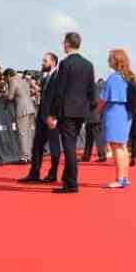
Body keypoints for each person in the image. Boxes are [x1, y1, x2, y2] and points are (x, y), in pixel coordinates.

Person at [48, 32, 95, 194]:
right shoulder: (88, 65)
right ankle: (68, 179)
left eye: (63, 42)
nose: (63, 45)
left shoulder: (65, 63)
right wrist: (89, 108)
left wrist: (53, 113)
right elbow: (91, 90)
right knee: (71, 145)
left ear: (68, 43)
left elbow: (59, 91)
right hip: (81, 111)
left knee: (69, 147)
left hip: (67, 111)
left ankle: (72, 183)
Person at [19, 53, 63, 184]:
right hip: (41, 117)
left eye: (45, 61)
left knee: (54, 147)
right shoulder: (45, 77)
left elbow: (58, 98)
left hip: (52, 118)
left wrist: (54, 116)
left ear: (53, 62)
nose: (42, 63)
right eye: (42, 60)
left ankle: (53, 173)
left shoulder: (58, 77)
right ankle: (34, 173)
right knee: (37, 146)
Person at [98, 49, 134, 189]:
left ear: (116, 60)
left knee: (116, 146)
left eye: (110, 58)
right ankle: (124, 177)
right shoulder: (128, 77)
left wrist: (97, 110)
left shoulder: (113, 78)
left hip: (114, 112)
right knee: (123, 146)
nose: (108, 61)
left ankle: (119, 179)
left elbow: (103, 98)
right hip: (126, 113)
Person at [5, 68, 36, 163]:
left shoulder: (12, 80)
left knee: (22, 133)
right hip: (31, 108)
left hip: (22, 109)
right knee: (29, 133)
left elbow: (10, 96)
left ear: (8, 76)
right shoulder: (23, 80)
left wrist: (3, 94)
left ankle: (24, 157)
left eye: (5, 78)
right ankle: (29, 155)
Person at [82, 77, 107, 163]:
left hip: (93, 115)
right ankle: (86, 156)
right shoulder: (94, 87)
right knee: (89, 137)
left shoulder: (93, 87)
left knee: (97, 137)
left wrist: (86, 106)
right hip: (93, 115)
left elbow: (95, 101)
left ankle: (102, 155)